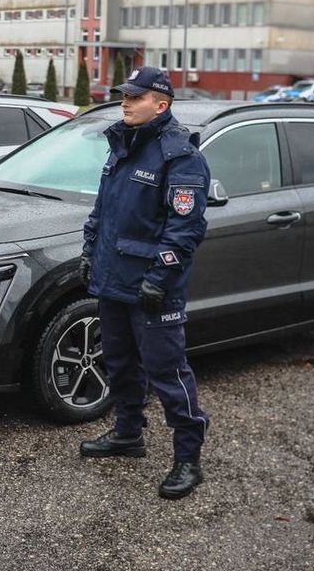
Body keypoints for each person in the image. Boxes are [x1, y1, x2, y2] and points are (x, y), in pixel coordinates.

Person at [78, 66, 211, 500]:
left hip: (153, 286)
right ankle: (128, 433)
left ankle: (188, 458)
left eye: (135, 97)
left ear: (161, 104)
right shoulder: (122, 146)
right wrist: (89, 254)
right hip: (114, 279)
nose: (125, 102)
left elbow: (185, 229)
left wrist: (161, 277)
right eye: (125, 96)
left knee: (168, 372)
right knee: (118, 362)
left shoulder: (180, 155)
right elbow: (104, 211)